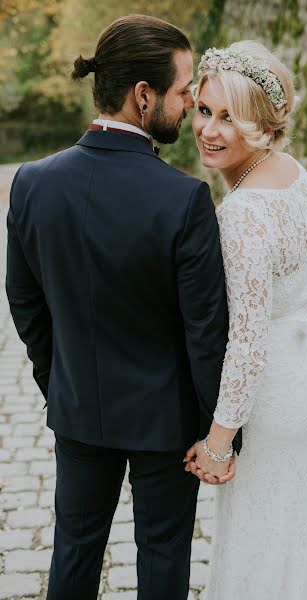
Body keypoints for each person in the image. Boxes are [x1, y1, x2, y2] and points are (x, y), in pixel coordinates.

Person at [5, 15, 238, 600]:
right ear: (143, 96)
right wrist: (218, 432)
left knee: (74, 551)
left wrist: (60, 379)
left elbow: (24, 300)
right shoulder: (184, 199)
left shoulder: (31, 183)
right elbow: (206, 331)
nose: (189, 105)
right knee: (163, 556)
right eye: (185, 91)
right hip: (167, 422)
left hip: (79, 407)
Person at [184, 41, 307, 599]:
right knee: (291, 534)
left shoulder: (244, 213)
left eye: (229, 117)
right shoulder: (292, 172)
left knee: (258, 536)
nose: (208, 129)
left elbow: (247, 340)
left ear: (260, 122)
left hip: (275, 391)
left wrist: (217, 441)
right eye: (204, 110)